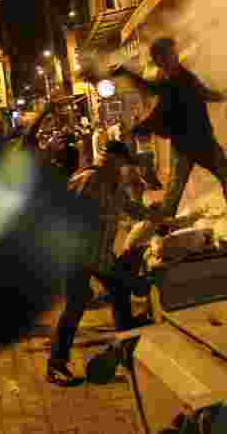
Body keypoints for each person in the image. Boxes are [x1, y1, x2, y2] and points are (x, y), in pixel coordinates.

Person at [47, 141, 165, 385]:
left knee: (121, 291)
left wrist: (157, 217)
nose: (124, 168)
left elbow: (131, 208)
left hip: (99, 257)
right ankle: (56, 365)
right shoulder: (89, 180)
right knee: (76, 305)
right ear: (112, 160)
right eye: (122, 163)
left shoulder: (114, 186)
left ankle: (125, 348)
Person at [110, 37, 227, 217]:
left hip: (195, 142)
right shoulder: (174, 80)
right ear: (161, 59)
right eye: (170, 54)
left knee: (182, 188)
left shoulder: (182, 77)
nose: (175, 56)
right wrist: (127, 74)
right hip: (194, 143)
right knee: (214, 180)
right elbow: (153, 92)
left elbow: (202, 93)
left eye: (174, 53)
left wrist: (223, 94)